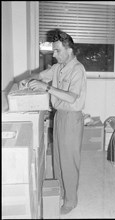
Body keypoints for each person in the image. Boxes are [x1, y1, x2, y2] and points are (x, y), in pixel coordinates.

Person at [20, 30, 87, 214]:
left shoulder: (77, 69)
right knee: (57, 158)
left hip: (72, 119)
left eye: (57, 51)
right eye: (53, 51)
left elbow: (72, 97)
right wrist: (27, 79)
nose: (54, 55)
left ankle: (71, 200)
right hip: (59, 116)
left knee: (69, 161)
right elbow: (41, 76)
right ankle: (61, 191)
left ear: (69, 49)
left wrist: (47, 88)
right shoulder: (59, 67)